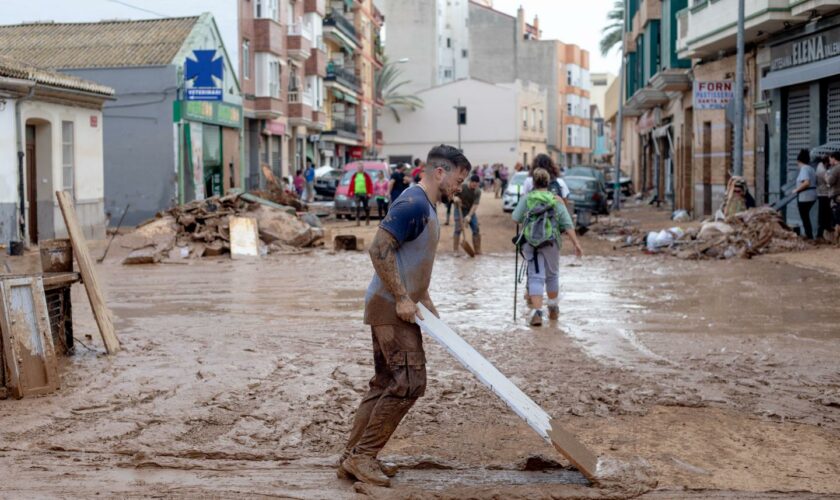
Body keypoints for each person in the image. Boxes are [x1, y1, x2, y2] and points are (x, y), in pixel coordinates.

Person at [339, 144, 471, 487]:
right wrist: (401, 298)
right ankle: (363, 457)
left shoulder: (425, 206)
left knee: (385, 382)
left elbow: (411, 264)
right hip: (390, 308)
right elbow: (378, 248)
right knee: (409, 383)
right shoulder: (413, 203)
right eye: (458, 179)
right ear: (439, 172)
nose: (460, 187)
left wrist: (426, 304)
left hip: (393, 306)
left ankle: (353, 457)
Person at [512, 168, 583, 326]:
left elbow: (515, 218)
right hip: (552, 242)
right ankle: (552, 308)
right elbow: (567, 223)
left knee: (535, 276)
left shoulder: (527, 198)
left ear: (534, 182)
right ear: (548, 182)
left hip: (531, 243)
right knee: (552, 275)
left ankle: (537, 312)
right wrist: (576, 244)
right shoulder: (555, 199)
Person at [453, 175, 482, 254]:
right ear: (470, 181)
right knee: (458, 229)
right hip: (459, 209)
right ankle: (455, 250)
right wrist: (455, 198)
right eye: (473, 183)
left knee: (476, 228)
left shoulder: (477, 191)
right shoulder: (462, 187)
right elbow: (452, 194)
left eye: (476, 183)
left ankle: (477, 250)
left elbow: (475, 205)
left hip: (470, 210)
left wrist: (469, 216)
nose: (474, 185)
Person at [793, 148, 817, 239]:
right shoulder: (811, 168)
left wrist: (797, 190)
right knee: (806, 216)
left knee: (804, 217)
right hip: (812, 195)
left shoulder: (804, 169)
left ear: (799, 161)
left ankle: (809, 235)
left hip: (805, 196)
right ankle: (809, 234)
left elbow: (807, 183)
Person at [816, 155, 832, 240]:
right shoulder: (823, 171)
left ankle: (821, 234)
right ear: (826, 163)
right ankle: (820, 234)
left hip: (822, 194)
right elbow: (829, 182)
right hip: (824, 194)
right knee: (825, 215)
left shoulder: (819, 166)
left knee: (823, 215)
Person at [826, 151, 840, 236]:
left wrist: (826, 177)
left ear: (834, 158)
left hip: (836, 196)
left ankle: (837, 240)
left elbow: (830, 181)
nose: (829, 161)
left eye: (830, 159)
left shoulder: (835, 169)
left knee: (837, 219)